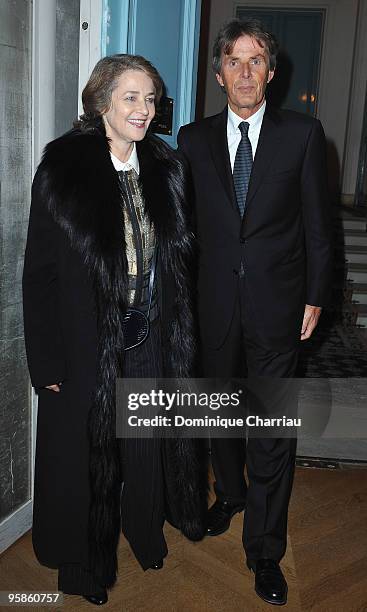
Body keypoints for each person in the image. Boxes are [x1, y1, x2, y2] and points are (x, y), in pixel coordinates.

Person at [23, 54, 207, 606]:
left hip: (149, 336)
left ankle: (144, 532)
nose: (144, 110)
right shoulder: (64, 168)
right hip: (84, 346)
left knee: (144, 448)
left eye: (150, 99)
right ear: (101, 102)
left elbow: (177, 266)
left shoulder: (166, 167)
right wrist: (47, 362)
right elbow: (39, 275)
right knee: (82, 463)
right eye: (131, 97)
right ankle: (80, 569)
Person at [178, 18, 332, 606]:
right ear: (220, 75)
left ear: (272, 73)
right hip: (211, 306)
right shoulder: (191, 140)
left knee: (270, 433)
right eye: (235, 62)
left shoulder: (303, 135)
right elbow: (183, 232)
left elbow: (319, 225)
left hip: (280, 309)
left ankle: (264, 550)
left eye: (257, 60)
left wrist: (316, 294)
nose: (246, 72)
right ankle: (232, 493)